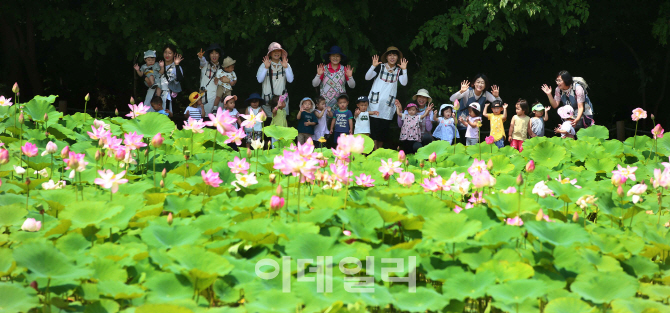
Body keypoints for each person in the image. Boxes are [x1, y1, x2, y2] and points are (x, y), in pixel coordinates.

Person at [366, 46, 408, 150]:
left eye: (394, 55)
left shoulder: (399, 70)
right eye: (390, 55)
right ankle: (375, 153)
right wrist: (372, 66)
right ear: (386, 57)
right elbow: (367, 77)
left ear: (397, 57)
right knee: (374, 130)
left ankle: (379, 152)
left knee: (383, 132)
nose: (392, 57)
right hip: (375, 103)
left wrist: (404, 70)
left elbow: (404, 83)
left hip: (387, 106)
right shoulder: (380, 67)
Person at [450, 74, 501, 143]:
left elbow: (499, 105)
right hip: (463, 121)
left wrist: (497, 97)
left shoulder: (486, 94)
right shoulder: (468, 91)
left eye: (482, 83)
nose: (480, 84)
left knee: (473, 144)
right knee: (463, 143)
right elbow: (452, 98)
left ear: (486, 85)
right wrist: (461, 91)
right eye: (478, 82)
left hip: (475, 123)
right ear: (474, 83)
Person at [312, 46, 355, 111]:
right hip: (325, 104)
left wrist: (350, 77)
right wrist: (318, 75)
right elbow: (314, 84)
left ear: (340, 58)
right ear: (329, 57)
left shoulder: (344, 69)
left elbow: (352, 86)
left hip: (340, 105)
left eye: (337, 56)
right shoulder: (324, 69)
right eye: (333, 56)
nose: (335, 58)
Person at [257, 42, 294, 118]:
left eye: (278, 51)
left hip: (281, 99)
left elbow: (290, 80)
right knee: (268, 122)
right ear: (270, 53)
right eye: (274, 51)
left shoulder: (286, 64)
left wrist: (286, 67)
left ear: (281, 53)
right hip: (268, 99)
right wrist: (266, 68)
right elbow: (259, 80)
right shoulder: (264, 64)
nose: (276, 53)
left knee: (281, 121)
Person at [198, 43, 223, 115]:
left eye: (216, 53)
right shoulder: (205, 65)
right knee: (206, 118)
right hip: (206, 97)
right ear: (209, 55)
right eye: (212, 53)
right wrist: (201, 57)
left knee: (217, 121)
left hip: (217, 98)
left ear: (219, 55)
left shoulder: (222, 68)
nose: (214, 55)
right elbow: (202, 61)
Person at [158, 44, 184, 114]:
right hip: (158, 96)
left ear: (174, 54)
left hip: (170, 97)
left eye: (170, 53)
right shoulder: (158, 66)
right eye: (165, 52)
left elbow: (180, 79)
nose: (167, 55)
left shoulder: (176, 67)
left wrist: (177, 65)